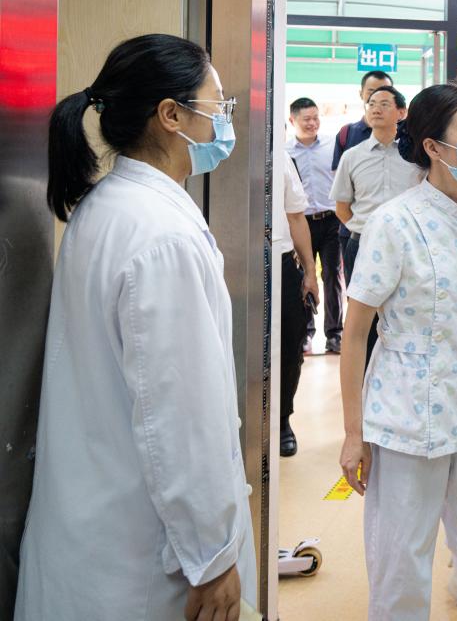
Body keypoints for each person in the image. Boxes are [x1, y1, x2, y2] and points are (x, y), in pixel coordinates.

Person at [18, 34, 256, 620]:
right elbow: (181, 417)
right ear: (171, 115)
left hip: (93, 528)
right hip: (143, 559)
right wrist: (212, 555)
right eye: (218, 104)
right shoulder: (162, 236)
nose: (224, 121)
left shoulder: (108, 206)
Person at [338, 84, 457, 621]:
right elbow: (355, 333)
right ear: (435, 147)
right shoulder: (395, 222)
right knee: (402, 567)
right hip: (405, 420)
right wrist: (353, 433)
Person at [330, 85, 420, 362]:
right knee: (363, 318)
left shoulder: (415, 157)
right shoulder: (352, 156)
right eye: (371, 104)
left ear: (401, 112)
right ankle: (365, 377)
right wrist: (367, 231)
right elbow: (342, 208)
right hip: (361, 245)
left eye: (384, 104)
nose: (376, 109)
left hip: (409, 247)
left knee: (406, 310)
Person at [288, 96, 344, 354]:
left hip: (331, 220)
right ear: (293, 121)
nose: (312, 123)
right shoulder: (286, 152)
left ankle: (334, 334)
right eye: (306, 119)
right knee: (304, 276)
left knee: (333, 275)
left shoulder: (332, 145)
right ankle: (306, 333)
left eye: (315, 118)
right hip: (302, 222)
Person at [279, 157, 321, 458]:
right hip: (233, 261)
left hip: (280, 261)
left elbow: (295, 217)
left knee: (290, 347)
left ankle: (282, 419)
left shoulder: (280, 158)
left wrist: (309, 272)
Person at [330, 69, 394, 170]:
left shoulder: (403, 134)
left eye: (384, 91)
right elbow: (338, 174)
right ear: (361, 94)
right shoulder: (346, 134)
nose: (377, 96)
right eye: (371, 91)